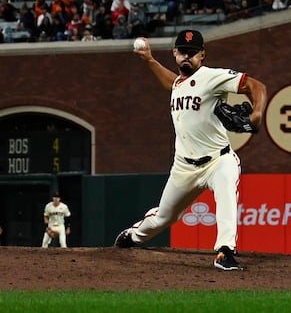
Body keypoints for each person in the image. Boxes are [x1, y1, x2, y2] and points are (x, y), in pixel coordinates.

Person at [114, 28, 266, 271]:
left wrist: (257, 112)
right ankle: (133, 236)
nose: (187, 57)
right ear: (175, 53)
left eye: (193, 53)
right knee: (164, 217)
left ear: (202, 55)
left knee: (226, 194)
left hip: (219, 160)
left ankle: (225, 251)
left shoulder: (212, 77)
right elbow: (172, 84)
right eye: (183, 52)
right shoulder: (179, 83)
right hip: (184, 166)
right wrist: (150, 61)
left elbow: (256, 86)